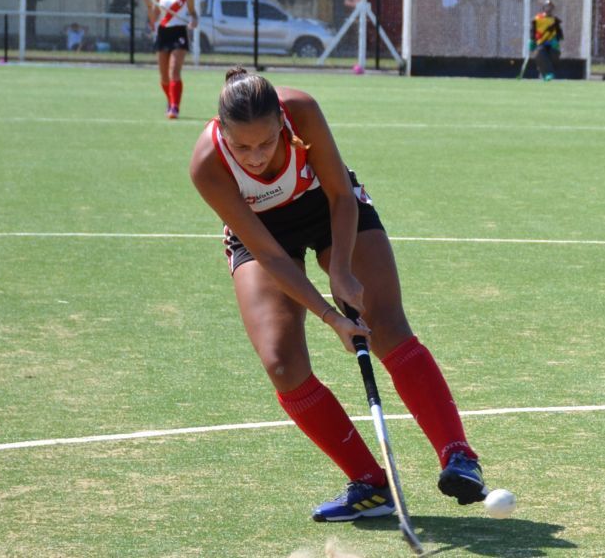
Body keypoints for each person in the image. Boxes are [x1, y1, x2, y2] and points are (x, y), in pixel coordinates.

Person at [189, 67, 489, 522]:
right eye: (242, 146)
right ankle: (371, 484)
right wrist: (331, 317)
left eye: (267, 142)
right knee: (281, 363)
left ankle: (459, 456)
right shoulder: (207, 165)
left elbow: (340, 197)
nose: (255, 156)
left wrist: (341, 270)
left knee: (385, 324)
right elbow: (270, 256)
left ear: (281, 123)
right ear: (221, 130)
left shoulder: (302, 111)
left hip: (327, 206)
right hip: (264, 235)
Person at [144, 0, 198, 119]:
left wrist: (193, 21)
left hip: (179, 33)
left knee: (174, 70)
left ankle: (175, 107)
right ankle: (170, 101)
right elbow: (153, 19)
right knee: (164, 76)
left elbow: (193, 13)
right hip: (163, 33)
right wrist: (149, 6)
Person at [529, 0, 564, 81]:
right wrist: (532, 40)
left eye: (550, 7)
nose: (549, 9)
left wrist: (556, 40)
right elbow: (533, 30)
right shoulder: (537, 19)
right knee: (540, 53)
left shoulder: (555, 20)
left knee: (554, 53)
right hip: (541, 43)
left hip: (552, 43)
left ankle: (547, 73)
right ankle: (547, 73)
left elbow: (559, 33)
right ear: (543, 8)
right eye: (547, 7)